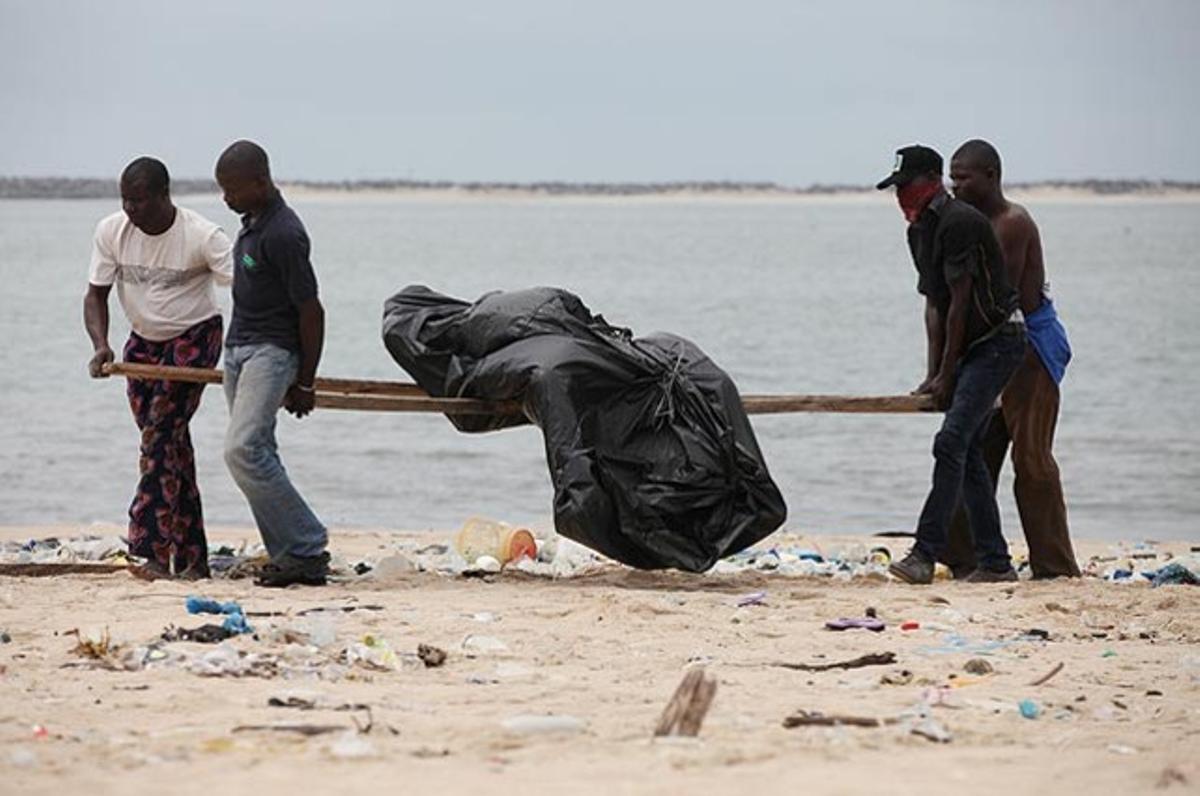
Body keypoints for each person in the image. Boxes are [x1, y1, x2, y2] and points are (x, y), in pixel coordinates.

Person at [876, 144, 1027, 585]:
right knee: (970, 455)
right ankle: (996, 563)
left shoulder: (960, 222)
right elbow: (934, 306)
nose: (901, 196)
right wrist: (933, 374)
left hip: (999, 341)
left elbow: (961, 302)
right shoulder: (919, 230)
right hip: (972, 346)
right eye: (896, 189)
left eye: (906, 187)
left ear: (930, 182)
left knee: (950, 442)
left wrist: (948, 373)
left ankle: (924, 554)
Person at [83, 157, 232, 579]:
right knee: (170, 448)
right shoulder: (112, 230)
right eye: (125, 200)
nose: (131, 210)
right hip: (142, 342)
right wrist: (100, 345)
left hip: (195, 337)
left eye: (140, 201)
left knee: (158, 437)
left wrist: (251, 353)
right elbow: (95, 295)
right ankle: (192, 559)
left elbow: (250, 291)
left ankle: (148, 548)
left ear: (164, 197)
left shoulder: (203, 236)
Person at [941, 140, 1080, 579]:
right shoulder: (969, 223)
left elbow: (998, 297)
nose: (956, 185)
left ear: (991, 176)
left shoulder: (1011, 222)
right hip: (989, 348)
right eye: (952, 177)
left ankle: (1054, 567)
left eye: (964, 177)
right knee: (971, 450)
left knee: (1032, 458)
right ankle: (968, 559)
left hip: (1028, 348)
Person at [214, 140, 330, 587]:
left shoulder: (284, 232)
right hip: (238, 349)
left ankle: (306, 544)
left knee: (241, 449)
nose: (227, 199)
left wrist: (305, 381)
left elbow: (312, 310)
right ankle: (289, 555)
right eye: (223, 189)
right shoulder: (252, 222)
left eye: (234, 190)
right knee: (258, 450)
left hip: (273, 350)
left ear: (261, 182)